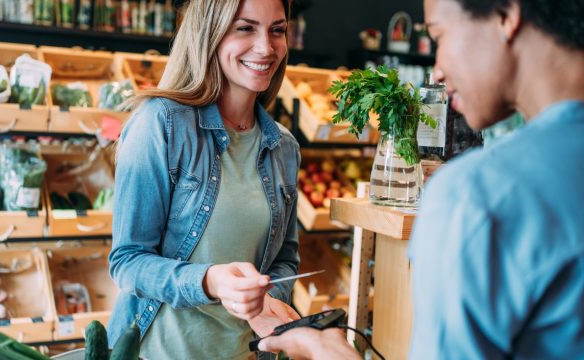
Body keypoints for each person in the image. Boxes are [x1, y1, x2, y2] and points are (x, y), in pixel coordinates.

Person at [259, 0, 584, 358]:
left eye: (439, 36)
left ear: (506, 16)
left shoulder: (474, 196)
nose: (438, 71)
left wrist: (328, 352)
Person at [107, 0, 301, 358]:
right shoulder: (161, 123)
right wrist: (210, 282)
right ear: (210, 33)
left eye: (277, 30)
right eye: (245, 28)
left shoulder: (283, 148)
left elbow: (284, 261)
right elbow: (128, 262)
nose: (266, 47)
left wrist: (267, 300)